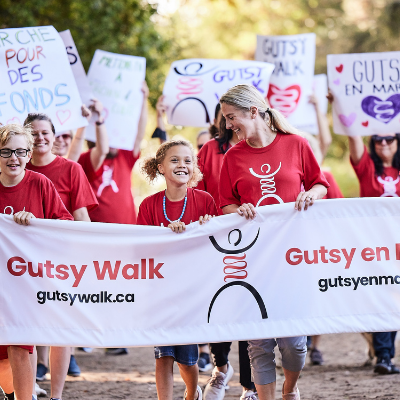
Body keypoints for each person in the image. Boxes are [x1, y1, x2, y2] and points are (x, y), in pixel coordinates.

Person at [218, 84, 329, 400]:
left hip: (294, 259)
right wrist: (238, 210)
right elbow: (225, 203)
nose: (228, 126)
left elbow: (320, 184)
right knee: (259, 343)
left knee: (294, 344)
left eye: (231, 117)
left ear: (253, 111)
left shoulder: (296, 144)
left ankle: (290, 388)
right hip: (252, 260)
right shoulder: (233, 157)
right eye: (225, 120)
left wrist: (311, 194)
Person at [23, 113, 97, 400]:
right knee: (26, 328)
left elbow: (81, 217)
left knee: (61, 329)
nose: (40, 138)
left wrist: (88, 253)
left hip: (62, 262)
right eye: (34, 133)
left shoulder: (71, 169)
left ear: (54, 136)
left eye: (46, 133)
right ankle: (26, 388)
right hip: (23, 263)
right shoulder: (15, 166)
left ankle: (56, 395)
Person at [138, 139, 218, 400]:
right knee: (163, 355)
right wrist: (164, 235)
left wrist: (208, 226)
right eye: (174, 160)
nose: (182, 165)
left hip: (192, 293)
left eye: (187, 160)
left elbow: (217, 245)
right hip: (160, 292)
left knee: (186, 357)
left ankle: (191, 392)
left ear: (193, 168)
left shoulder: (205, 201)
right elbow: (141, 248)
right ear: (161, 167)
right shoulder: (148, 205)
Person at [0, 124, 72, 400]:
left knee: (19, 347)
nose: (13, 158)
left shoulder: (40, 184)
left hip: (26, 284)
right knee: (3, 356)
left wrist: (36, 224)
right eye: (5, 151)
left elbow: (65, 223)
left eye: (19, 151)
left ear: (29, 154)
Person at [198, 109, 256, 400]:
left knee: (248, 308)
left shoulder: (260, 149)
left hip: (254, 241)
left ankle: (250, 386)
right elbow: (198, 190)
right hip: (215, 241)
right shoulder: (210, 149)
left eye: (236, 115)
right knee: (217, 307)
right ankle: (221, 369)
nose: (232, 121)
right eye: (227, 116)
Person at [348, 131, 400, 374]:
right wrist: (343, 106)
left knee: (396, 297)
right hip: (376, 246)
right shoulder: (367, 167)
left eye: (389, 139)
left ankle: (386, 353)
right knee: (382, 295)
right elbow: (353, 137)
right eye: (378, 139)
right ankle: (384, 355)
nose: (383, 144)